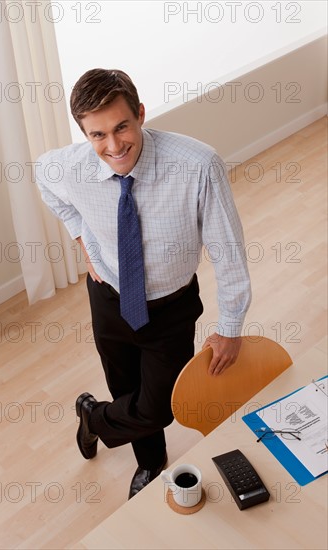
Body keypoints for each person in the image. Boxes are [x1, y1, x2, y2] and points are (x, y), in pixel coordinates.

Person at [35, 68, 251, 499]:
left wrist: (230, 326)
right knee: (126, 389)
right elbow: (44, 179)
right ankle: (150, 462)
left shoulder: (197, 165)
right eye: (97, 135)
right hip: (108, 298)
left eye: (121, 127)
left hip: (170, 306)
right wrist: (82, 238)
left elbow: (228, 251)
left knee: (161, 405)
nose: (113, 146)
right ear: (84, 133)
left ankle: (92, 418)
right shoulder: (69, 167)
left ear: (140, 114)